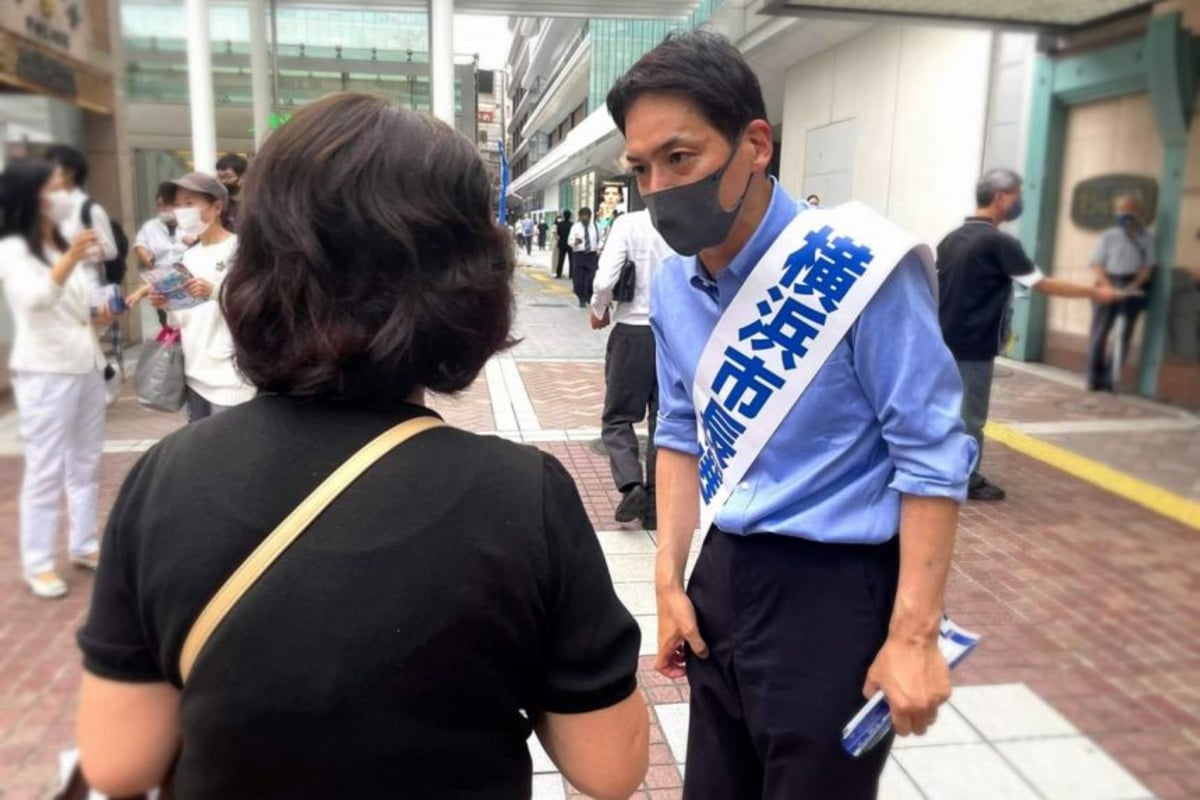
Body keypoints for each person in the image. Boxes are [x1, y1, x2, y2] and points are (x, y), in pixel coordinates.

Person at [74, 92, 648, 800]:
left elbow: (117, 761)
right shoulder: (520, 494)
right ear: (468, 279)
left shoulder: (166, 479)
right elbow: (610, 768)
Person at [609, 31, 975, 799]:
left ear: (756, 145)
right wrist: (669, 579)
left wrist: (913, 635)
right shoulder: (674, 286)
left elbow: (932, 454)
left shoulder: (860, 266)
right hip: (721, 574)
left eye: (682, 158)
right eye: (641, 169)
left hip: (833, 593)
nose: (659, 188)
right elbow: (679, 432)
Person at [937, 169, 1119, 501]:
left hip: (942, 341)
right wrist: (1093, 292)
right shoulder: (999, 242)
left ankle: (938, 466)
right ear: (1000, 197)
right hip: (974, 344)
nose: (1019, 202)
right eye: (1017, 195)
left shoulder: (951, 239)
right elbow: (1040, 283)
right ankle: (967, 478)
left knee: (944, 410)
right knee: (971, 416)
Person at [0, 160, 112, 598]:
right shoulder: (11, 248)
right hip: (45, 371)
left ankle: (84, 544)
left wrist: (99, 312)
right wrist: (70, 257)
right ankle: (39, 562)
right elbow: (37, 298)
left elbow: (76, 306)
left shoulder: (62, 240)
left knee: (85, 461)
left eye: (65, 186)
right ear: (33, 197)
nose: (65, 194)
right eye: (56, 188)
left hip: (84, 364)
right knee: (46, 468)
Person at [140, 173, 255, 422]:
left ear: (216, 207)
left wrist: (213, 291)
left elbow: (255, 304)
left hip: (232, 377)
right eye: (178, 205)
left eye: (190, 204)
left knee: (230, 451)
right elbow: (180, 321)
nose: (182, 211)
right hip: (193, 372)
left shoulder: (241, 249)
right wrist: (166, 304)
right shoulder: (189, 257)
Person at [590, 210, 672, 531]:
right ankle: (654, 508)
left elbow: (604, 279)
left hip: (632, 332)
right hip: (674, 333)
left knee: (618, 418)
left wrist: (599, 309)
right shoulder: (685, 219)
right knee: (663, 421)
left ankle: (631, 485)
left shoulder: (628, 223)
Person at [1087, 194, 1155, 391]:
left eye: (1130, 209)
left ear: (1138, 212)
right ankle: (1094, 378)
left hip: (1133, 285)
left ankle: (1110, 379)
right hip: (1107, 282)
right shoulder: (1108, 236)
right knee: (1099, 332)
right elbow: (1096, 265)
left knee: (1124, 334)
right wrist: (1108, 286)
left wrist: (1133, 286)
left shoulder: (1147, 238)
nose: (1125, 214)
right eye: (1121, 209)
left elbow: (1148, 267)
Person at [44, 145, 119, 278]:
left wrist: (78, 252)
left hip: (86, 286)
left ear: (70, 172)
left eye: (53, 166)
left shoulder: (90, 209)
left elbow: (111, 250)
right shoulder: (45, 207)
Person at [568, 207, 599, 308]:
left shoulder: (595, 226)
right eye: (583, 217)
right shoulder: (575, 227)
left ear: (590, 217)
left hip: (591, 255)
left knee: (591, 277)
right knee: (578, 278)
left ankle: (589, 296)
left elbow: (601, 238)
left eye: (587, 217)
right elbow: (570, 241)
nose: (585, 219)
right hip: (579, 255)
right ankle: (581, 297)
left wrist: (600, 248)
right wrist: (575, 242)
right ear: (580, 217)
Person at [215, 153, 247, 230]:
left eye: (228, 177)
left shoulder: (252, 204)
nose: (223, 181)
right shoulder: (219, 202)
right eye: (220, 177)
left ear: (243, 177)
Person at [554, 209, 573, 279]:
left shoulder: (560, 224)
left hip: (562, 243)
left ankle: (558, 274)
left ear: (564, 216)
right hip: (570, 244)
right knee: (571, 260)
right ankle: (571, 274)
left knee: (561, 259)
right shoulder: (572, 225)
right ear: (570, 216)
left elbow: (558, 233)